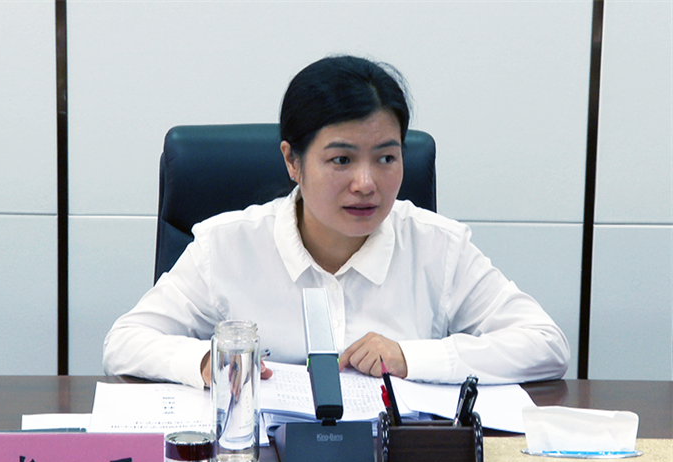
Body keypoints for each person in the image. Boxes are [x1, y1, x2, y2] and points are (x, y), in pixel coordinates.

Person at [103, 55, 570, 389]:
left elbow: (545, 344)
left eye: (386, 158)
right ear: (292, 161)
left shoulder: (437, 247)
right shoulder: (227, 246)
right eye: (342, 160)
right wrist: (208, 361)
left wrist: (410, 356)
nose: (367, 184)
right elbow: (125, 341)